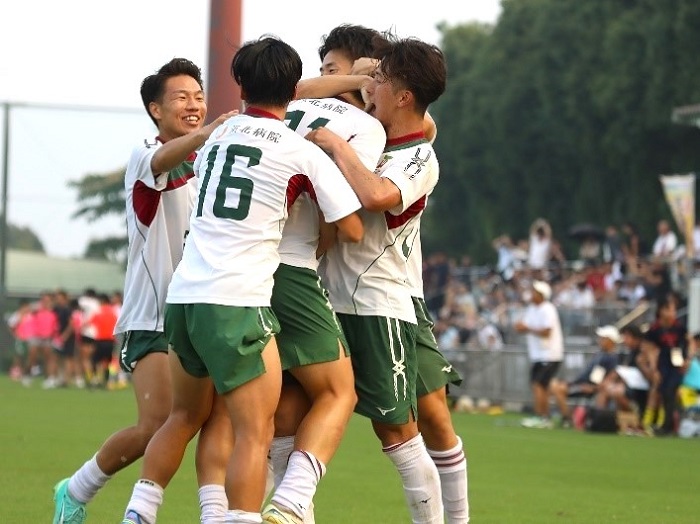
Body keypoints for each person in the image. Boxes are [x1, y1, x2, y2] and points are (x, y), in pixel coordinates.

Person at [121, 36, 363, 524]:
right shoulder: (301, 152)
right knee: (254, 431)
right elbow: (353, 229)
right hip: (237, 300)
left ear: (240, 86)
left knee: (183, 418)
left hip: (183, 299)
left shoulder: (215, 138)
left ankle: (138, 513)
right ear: (294, 90)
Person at [52, 57, 236, 524]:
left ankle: (214, 514)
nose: (193, 105)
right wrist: (211, 131)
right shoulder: (145, 154)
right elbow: (163, 162)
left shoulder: (212, 161)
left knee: (217, 420)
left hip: (206, 310)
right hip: (153, 316)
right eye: (181, 97)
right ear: (156, 109)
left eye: (199, 97)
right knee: (157, 423)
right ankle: (76, 490)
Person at [307, 34, 448, 523]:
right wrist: (355, 79)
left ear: (404, 96)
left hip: (377, 305)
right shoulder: (366, 129)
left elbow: (378, 196)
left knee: (398, 432)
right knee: (288, 414)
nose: (372, 87)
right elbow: (293, 92)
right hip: (327, 299)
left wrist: (333, 146)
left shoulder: (419, 154)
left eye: (381, 80)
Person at [264, 34, 385, 524]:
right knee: (340, 391)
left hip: (240, 270)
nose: (324, 76)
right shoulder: (365, 127)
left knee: (278, 408)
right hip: (293, 268)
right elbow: (346, 218)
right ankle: (291, 503)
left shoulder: (286, 108)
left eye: (332, 68)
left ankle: (274, 508)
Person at [550, 325, 621, 427]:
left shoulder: (612, 358)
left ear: (611, 341)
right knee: (553, 384)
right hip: (582, 384)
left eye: (603, 338)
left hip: (588, 388)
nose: (600, 340)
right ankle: (568, 417)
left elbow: (608, 378)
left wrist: (593, 388)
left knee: (559, 389)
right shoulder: (600, 354)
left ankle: (568, 419)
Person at [515, 280, 564, 429]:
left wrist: (527, 328)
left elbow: (546, 331)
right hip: (538, 355)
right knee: (540, 386)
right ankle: (543, 416)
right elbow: (523, 326)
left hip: (549, 354)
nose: (532, 294)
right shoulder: (532, 309)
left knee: (539, 385)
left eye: (535, 292)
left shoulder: (548, 309)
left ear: (542, 295)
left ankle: (542, 416)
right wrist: (522, 327)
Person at [643, 293, 689, 436]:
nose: (672, 313)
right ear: (661, 310)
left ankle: (666, 425)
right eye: (669, 309)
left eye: (674, 309)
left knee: (670, 391)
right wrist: (654, 369)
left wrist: (687, 360)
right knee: (663, 392)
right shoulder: (654, 330)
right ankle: (660, 424)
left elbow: (688, 345)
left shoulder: (680, 328)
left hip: (677, 365)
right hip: (662, 363)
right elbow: (650, 351)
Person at [594, 324, 653, 432]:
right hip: (629, 386)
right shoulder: (629, 353)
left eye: (626, 337)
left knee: (616, 391)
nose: (624, 340)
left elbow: (651, 375)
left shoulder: (644, 351)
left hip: (642, 389)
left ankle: (636, 416)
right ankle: (599, 421)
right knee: (606, 390)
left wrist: (642, 365)